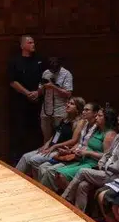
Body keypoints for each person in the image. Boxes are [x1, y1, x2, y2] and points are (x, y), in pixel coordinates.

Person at [62, 112, 119, 214]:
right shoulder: (118, 136)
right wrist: (101, 163)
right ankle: (79, 213)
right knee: (83, 185)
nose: (118, 122)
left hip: (116, 175)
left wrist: (103, 166)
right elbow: (107, 154)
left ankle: (64, 200)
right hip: (105, 171)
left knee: (82, 171)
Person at [6, 35, 45, 164]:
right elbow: (12, 81)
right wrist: (27, 93)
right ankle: (16, 162)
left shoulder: (39, 60)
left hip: (37, 102)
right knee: (19, 132)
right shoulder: (15, 61)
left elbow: (45, 80)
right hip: (20, 103)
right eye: (30, 42)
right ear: (22, 45)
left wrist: (37, 92)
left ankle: (35, 160)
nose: (33, 44)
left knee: (36, 132)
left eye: (34, 42)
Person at [37, 55, 74, 144]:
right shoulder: (46, 73)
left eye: (55, 70)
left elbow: (68, 94)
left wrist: (53, 86)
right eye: (51, 70)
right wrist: (43, 87)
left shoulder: (66, 74)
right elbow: (39, 91)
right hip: (46, 109)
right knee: (46, 137)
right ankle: (45, 154)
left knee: (59, 137)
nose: (53, 72)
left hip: (60, 109)